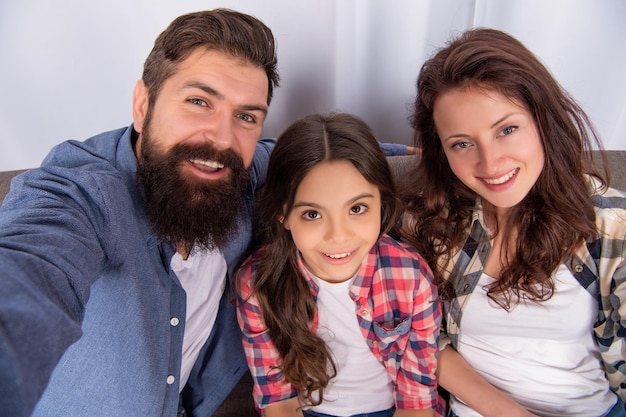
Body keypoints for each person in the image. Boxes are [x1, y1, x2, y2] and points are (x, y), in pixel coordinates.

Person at [0, 9, 280, 417]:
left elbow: (312, 156)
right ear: (143, 104)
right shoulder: (83, 192)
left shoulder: (237, 174)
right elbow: (31, 265)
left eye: (246, 116)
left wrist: (404, 155)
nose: (222, 138)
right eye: (199, 101)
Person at [399, 27, 626, 417]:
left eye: (507, 130)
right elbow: (420, 341)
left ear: (543, 120)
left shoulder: (610, 226)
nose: (491, 164)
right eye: (462, 144)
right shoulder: (431, 222)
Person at [235, 112, 441, 417]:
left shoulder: (411, 277)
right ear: (283, 214)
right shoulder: (257, 284)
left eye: (357, 208)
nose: (338, 236)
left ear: (381, 204)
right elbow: (277, 398)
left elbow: (417, 399)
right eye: (312, 214)